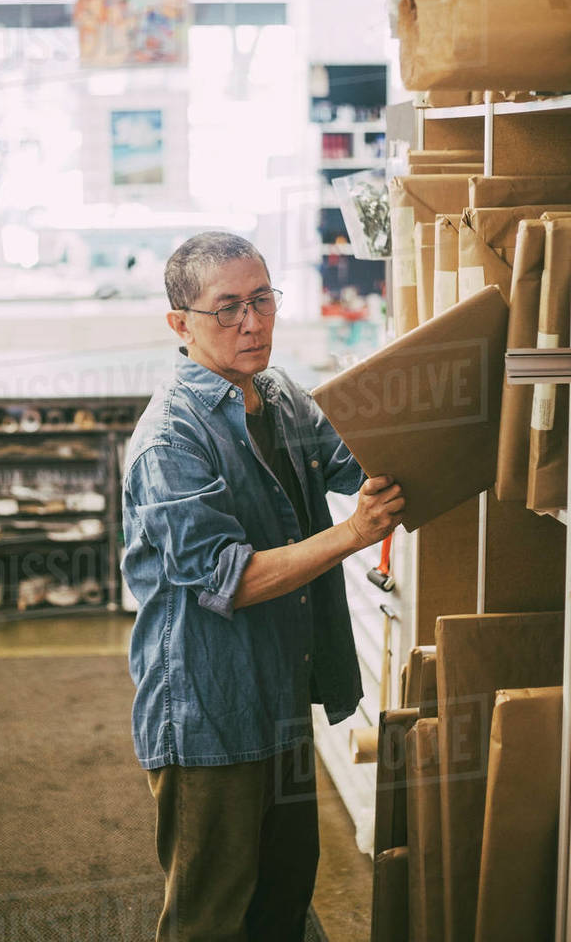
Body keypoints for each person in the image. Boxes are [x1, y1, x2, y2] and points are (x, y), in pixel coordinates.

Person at [121, 231, 404, 942]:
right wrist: (353, 534)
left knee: (283, 895)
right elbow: (231, 579)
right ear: (179, 323)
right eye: (227, 309)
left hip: (280, 692)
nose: (251, 322)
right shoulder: (170, 440)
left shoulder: (279, 397)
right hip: (208, 712)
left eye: (262, 299)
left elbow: (356, 461)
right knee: (209, 917)